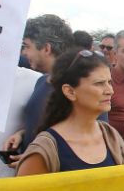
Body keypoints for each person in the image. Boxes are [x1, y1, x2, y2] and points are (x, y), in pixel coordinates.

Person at [17, 50, 124, 174]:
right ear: (70, 91)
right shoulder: (46, 150)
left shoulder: (111, 136)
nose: (110, 90)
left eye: (109, 82)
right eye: (99, 83)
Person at [4, 13, 75, 157]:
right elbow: (46, 125)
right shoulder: (41, 81)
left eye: (27, 46)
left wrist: (39, 159)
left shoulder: (77, 88)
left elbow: (84, 137)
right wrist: (22, 134)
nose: (23, 53)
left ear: (46, 48)